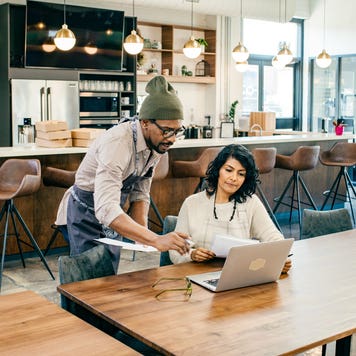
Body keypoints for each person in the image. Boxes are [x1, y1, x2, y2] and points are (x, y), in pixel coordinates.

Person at [56, 76, 190, 271]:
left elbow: (140, 193)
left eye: (177, 131)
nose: (172, 139)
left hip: (112, 214)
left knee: (109, 273)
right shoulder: (118, 144)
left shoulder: (157, 143)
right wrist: (155, 239)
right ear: (145, 122)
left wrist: (141, 234)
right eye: (167, 130)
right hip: (86, 212)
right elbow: (105, 209)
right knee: (88, 277)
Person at [169, 144, 292, 274]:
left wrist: (280, 258)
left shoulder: (251, 203)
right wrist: (192, 254)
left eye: (241, 174)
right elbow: (175, 251)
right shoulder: (192, 203)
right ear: (218, 170)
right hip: (197, 276)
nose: (234, 178)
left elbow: (273, 237)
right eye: (228, 170)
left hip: (239, 275)